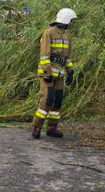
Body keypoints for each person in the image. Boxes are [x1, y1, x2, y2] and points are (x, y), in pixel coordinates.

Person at [32, 7, 77, 139]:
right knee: (47, 99)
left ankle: (52, 128)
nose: (72, 23)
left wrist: (70, 72)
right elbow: (44, 55)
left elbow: (67, 57)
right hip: (48, 73)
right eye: (71, 21)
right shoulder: (49, 33)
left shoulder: (67, 36)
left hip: (60, 74)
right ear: (66, 19)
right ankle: (37, 127)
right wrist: (47, 72)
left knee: (57, 101)